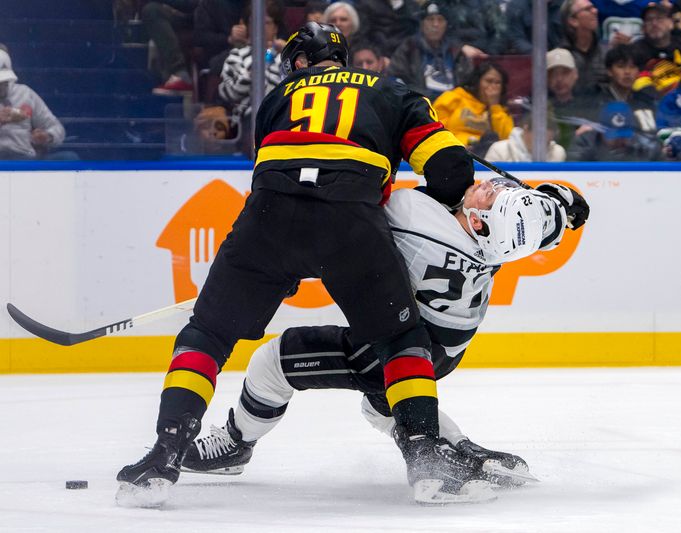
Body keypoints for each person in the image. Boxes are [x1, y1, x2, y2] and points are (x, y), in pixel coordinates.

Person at [116, 21, 484, 508]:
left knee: (206, 335)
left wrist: (282, 267)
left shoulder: (276, 99)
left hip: (268, 221)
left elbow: (277, 175)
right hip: (351, 222)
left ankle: (164, 455)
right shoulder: (391, 90)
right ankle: (427, 457)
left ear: (301, 64)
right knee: (401, 340)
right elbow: (449, 172)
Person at [180, 178, 590, 498]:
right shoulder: (505, 241)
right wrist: (562, 201)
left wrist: (278, 270)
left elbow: (346, 236)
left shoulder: (415, 217)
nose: (487, 186)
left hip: (391, 349)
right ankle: (457, 448)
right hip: (442, 352)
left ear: (480, 222)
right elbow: (551, 222)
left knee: (272, 363)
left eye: (490, 198)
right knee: (382, 406)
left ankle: (235, 444)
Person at [0, 49, 76, 161]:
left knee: (69, 158)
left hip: (25, 158)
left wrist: (47, 136)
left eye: (4, 82)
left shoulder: (25, 94)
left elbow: (56, 127)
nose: (2, 86)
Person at [387, 1, 472, 99]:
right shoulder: (408, 48)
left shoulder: (456, 51)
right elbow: (394, 78)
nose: (435, 24)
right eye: (430, 19)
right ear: (422, 23)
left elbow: (468, 84)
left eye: (440, 20)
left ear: (446, 24)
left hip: (453, 108)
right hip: (421, 106)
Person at [432, 62, 514, 155]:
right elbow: (435, 130)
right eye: (489, 81)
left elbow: (507, 140)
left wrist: (494, 105)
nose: (493, 87)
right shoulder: (454, 97)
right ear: (477, 81)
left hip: (486, 157)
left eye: (497, 83)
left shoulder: (501, 111)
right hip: (453, 152)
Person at [591, 44, 657, 133]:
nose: (627, 72)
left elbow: (650, 133)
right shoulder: (595, 100)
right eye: (621, 66)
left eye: (632, 67)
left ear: (638, 72)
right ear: (609, 71)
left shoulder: (644, 102)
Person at [566, 101, 662, 161]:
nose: (620, 140)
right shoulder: (585, 143)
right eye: (614, 136)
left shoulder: (647, 146)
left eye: (624, 135)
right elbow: (573, 171)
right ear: (600, 130)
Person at [142, 0, 200, 95]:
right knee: (151, 10)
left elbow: (197, 4)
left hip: (199, 17)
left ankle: (179, 72)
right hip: (175, 14)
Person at [630, 1, 681, 97]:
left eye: (659, 18)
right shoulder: (634, 51)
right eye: (649, 20)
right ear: (643, 28)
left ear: (671, 23)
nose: (654, 23)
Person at [559, 0, 608, 90]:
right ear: (573, 21)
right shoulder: (561, 56)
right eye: (587, 9)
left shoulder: (607, 52)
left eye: (593, 7)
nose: (595, 11)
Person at [484, 111, 567, 162]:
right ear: (526, 129)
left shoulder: (557, 153)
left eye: (547, 142)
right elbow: (487, 183)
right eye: (539, 140)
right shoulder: (499, 150)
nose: (542, 145)